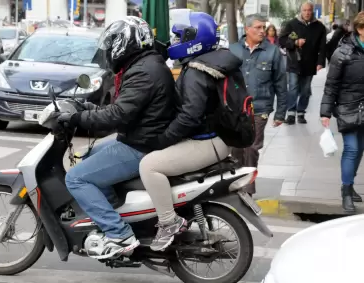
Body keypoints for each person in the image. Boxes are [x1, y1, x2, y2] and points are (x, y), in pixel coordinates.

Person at [58, 16, 176, 259]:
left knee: (76, 178)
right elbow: (125, 108)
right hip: (141, 135)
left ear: (126, 43)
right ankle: (111, 212)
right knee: (90, 154)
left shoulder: (144, 71)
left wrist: (77, 119)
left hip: (141, 144)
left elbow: (119, 115)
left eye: (113, 43)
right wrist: (87, 109)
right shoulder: (144, 64)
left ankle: (118, 233)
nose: (110, 50)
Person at [139, 11, 242, 251]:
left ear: (194, 39)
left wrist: (164, 138)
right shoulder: (210, 61)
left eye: (179, 37)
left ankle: (168, 223)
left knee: (149, 165)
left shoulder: (197, 71)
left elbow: (190, 115)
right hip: (216, 138)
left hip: (207, 142)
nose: (175, 42)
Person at [229, 14, 287, 195]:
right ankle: (235, 184)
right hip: (235, 109)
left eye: (264, 27)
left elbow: (280, 83)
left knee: (252, 148)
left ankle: (248, 190)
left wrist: (280, 113)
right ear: (247, 29)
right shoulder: (233, 50)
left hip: (259, 108)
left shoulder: (273, 52)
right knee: (236, 148)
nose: (262, 31)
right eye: (258, 27)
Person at [320, 11, 364, 213]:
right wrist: (325, 112)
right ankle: (346, 192)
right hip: (348, 107)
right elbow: (331, 85)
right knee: (352, 148)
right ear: (361, 29)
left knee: (359, 149)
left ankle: (350, 184)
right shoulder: (343, 53)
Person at [279, 2, 326, 125]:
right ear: (301, 11)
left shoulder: (319, 27)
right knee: (293, 88)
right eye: (304, 10)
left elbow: (322, 47)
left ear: (312, 11)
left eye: (309, 10)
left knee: (305, 90)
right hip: (294, 62)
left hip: (310, 63)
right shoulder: (292, 24)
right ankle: (290, 113)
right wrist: (294, 43)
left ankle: (301, 112)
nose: (307, 13)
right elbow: (282, 40)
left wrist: (320, 62)